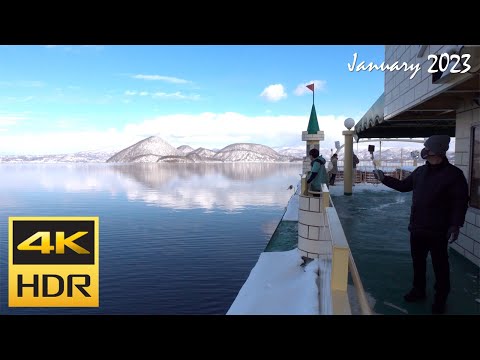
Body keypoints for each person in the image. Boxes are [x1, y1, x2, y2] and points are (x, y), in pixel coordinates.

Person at [373, 135, 468, 314]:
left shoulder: (454, 175)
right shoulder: (419, 172)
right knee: (418, 262)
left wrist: (455, 225)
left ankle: (441, 299)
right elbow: (403, 186)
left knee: (440, 265)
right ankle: (419, 290)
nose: (424, 151)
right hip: (417, 227)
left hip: (439, 230)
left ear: (438, 151)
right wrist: (384, 179)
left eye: (427, 148)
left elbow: (460, 201)